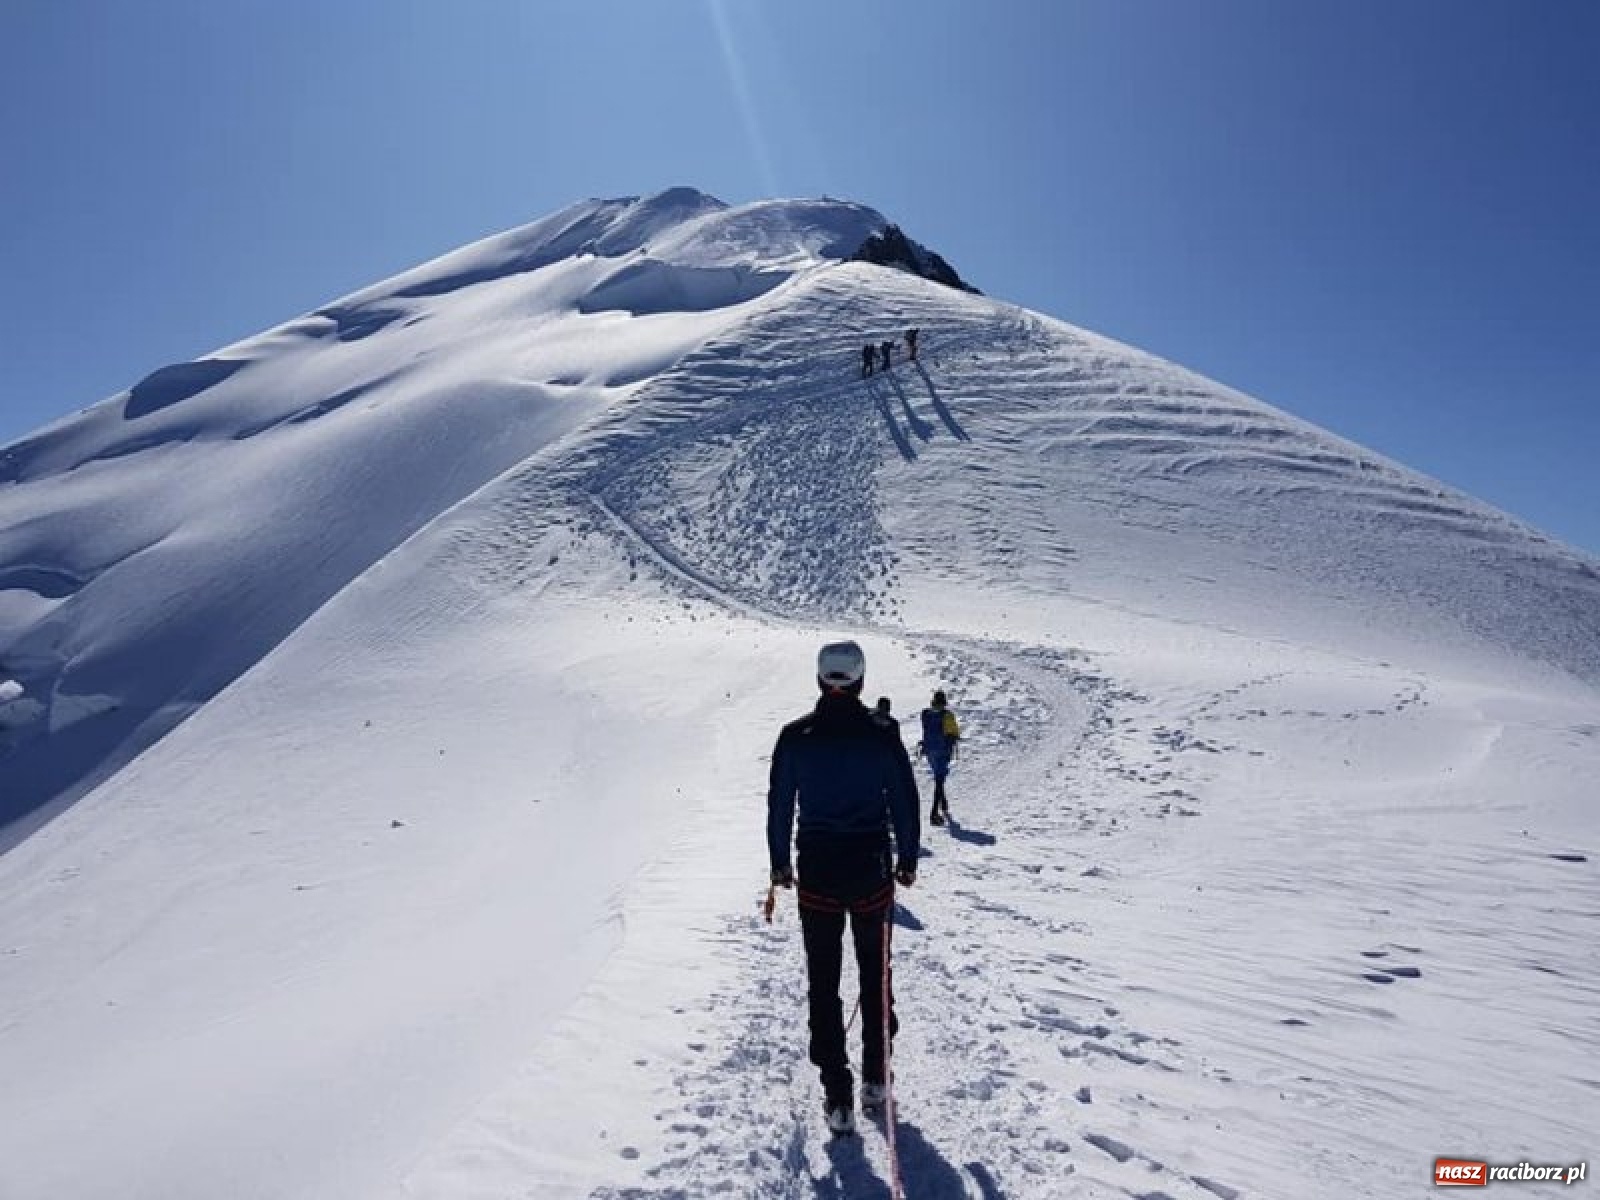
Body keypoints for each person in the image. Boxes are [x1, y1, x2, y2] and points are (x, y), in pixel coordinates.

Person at [768, 641, 920, 1136]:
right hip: (870, 870)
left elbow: (779, 807)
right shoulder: (881, 733)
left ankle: (838, 1094)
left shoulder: (796, 736)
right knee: (875, 974)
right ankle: (876, 1075)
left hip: (817, 874)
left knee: (824, 984)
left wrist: (779, 866)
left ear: (820, 681)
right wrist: (908, 857)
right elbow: (903, 795)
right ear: (859, 681)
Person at [917, 690, 961, 825]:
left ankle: (943, 804)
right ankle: (934, 813)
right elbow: (953, 734)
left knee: (938, 778)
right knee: (939, 780)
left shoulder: (926, 714)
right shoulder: (947, 715)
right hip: (942, 752)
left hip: (930, 751)